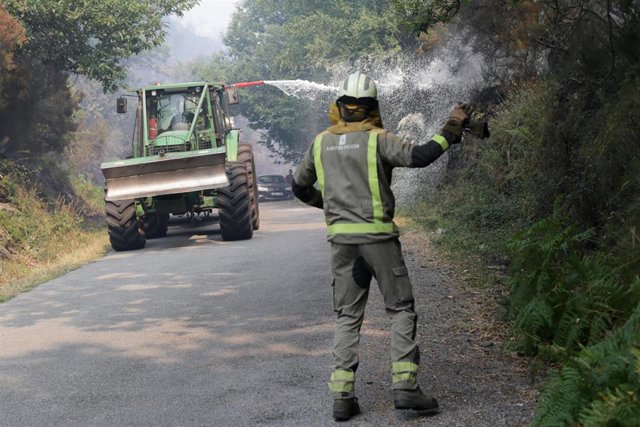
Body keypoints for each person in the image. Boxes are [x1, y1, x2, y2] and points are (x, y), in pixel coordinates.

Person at [291, 71, 474, 421]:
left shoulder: (320, 143)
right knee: (400, 309)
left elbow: (299, 187)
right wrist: (451, 130)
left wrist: (329, 204)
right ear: (373, 107)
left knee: (347, 316)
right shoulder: (379, 139)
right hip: (378, 240)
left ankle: (342, 398)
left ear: (339, 107)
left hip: (342, 242)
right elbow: (421, 156)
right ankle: (405, 388)